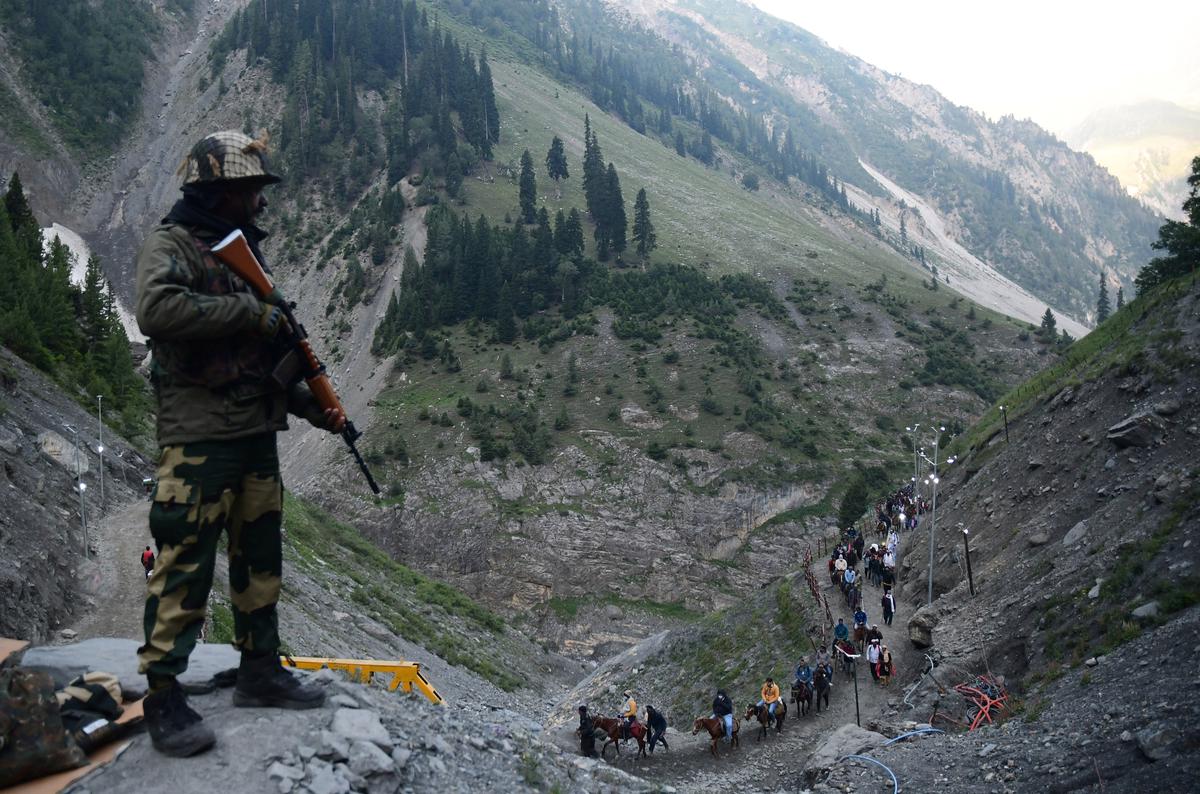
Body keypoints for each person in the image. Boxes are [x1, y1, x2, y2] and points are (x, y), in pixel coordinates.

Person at [134, 130, 346, 758]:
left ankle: (260, 670)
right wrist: (249, 315)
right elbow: (157, 311)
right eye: (250, 189)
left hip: (255, 434)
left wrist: (317, 408)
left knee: (260, 561)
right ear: (219, 192)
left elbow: (268, 358)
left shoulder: (243, 253)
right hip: (198, 437)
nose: (260, 201)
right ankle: (164, 695)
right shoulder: (173, 246)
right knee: (183, 564)